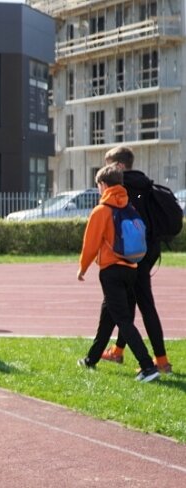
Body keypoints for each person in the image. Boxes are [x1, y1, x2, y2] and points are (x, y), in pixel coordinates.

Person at [76, 165, 160, 383]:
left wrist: (82, 268)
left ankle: (148, 367)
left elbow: (90, 245)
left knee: (123, 320)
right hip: (131, 268)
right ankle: (91, 359)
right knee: (108, 317)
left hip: (111, 271)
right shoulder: (128, 206)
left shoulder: (102, 210)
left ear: (103, 185)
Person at [100, 146, 172, 374]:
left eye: (108, 163)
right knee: (129, 302)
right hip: (150, 250)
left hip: (130, 255)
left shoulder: (121, 188)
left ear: (119, 166)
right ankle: (119, 351)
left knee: (140, 304)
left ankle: (161, 362)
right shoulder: (145, 185)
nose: (105, 169)